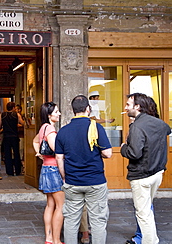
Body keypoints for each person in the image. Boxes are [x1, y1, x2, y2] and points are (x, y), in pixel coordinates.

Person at [56, 95, 112, 244]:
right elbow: (108, 153)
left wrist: (64, 177)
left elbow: (59, 158)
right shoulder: (96, 127)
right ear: (88, 109)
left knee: (71, 221)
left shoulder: (63, 131)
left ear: (72, 110)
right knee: (98, 221)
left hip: (73, 181)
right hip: (96, 181)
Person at [121, 93, 171, 244]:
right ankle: (142, 238)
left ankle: (150, 241)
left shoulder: (137, 126)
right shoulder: (159, 123)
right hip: (157, 172)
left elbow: (134, 153)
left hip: (142, 176)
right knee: (147, 209)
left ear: (137, 106)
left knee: (143, 214)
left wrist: (123, 147)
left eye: (128, 104)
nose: (125, 107)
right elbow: (167, 130)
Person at [32, 102, 64, 244]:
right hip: (54, 169)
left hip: (45, 168)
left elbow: (35, 141)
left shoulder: (43, 128)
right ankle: (57, 240)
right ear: (49, 114)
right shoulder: (50, 129)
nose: (59, 114)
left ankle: (49, 238)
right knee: (60, 206)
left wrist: (39, 153)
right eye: (56, 111)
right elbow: (57, 150)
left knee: (50, 204)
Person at [0, 101, 25, 176]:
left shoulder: (2, 115)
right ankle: (17, 170)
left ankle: (9, 171)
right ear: (13, 108)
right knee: (16, 153)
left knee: (7, 154)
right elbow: (23, 123)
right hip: (14, 136)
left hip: (6, 136)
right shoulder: (16, 115)